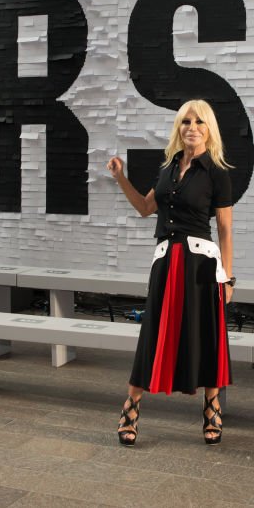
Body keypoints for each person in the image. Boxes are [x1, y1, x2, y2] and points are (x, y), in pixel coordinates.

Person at [106, 99, 235, 446]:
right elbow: (146, 208)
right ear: (178, 128)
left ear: (209, 129)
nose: (191, 127)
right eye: (185, 122)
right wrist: (120, 177)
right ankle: (130, 408)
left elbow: (224, 229)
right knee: (152, 334)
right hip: (165, 262)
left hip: (201, 265)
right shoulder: (166, 170)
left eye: (199, 122)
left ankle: (212, 407)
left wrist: (228, 276)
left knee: (206, 333)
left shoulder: (217, 173)